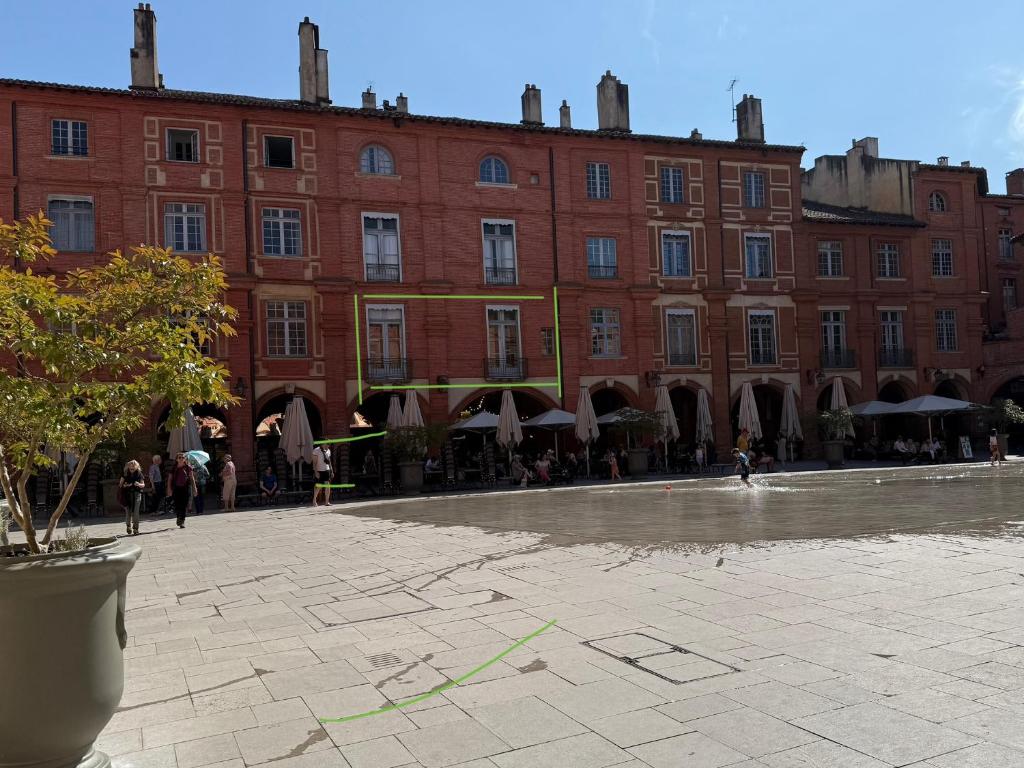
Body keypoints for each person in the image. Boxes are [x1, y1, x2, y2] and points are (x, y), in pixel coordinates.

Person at [165, 453, 197, 529]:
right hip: (176, 488)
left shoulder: (188, 467)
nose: (181, 458)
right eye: (179, 457)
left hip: (185, 488)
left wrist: (195, 488)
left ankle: (182, 521)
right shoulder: (173, 468)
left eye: (183, 457)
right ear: (176, 459)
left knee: (184, 504)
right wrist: (169, 489)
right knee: (177, 504)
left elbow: (192, 479)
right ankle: (179, 517)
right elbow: (170, 479)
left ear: (185, 459)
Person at [119, 459, 145, 535]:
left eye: (134, 466)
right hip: (127, 495)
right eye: (131, 466)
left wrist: (138, 484)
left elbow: (143, 485)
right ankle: (128, 526)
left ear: (137, 467)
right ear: (128, 466)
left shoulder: (139, 474)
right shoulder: (125, 473)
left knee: (136, 512)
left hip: (137, 494)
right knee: (128, 512)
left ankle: (136, 529)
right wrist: (126, 485)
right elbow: (120, 485)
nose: (132, 468)